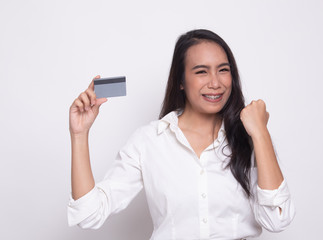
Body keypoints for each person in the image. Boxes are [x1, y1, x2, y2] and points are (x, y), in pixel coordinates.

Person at [67, 29, 295, 239]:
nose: (215, 83)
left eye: (223, 70)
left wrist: (260, 133)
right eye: (201, 72)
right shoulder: (149, 141)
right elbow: (89, 215)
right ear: (180, 82)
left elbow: (277, 219)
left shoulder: (251, 137)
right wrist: (79, 134)